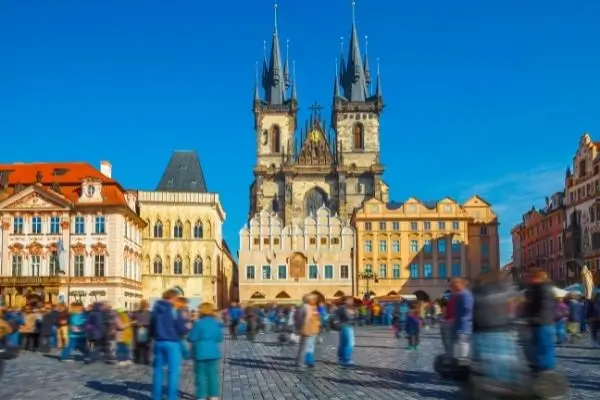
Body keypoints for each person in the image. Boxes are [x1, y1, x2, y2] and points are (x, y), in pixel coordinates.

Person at [150, 289, 189, 400]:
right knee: (173, 371)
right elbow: (181, 328)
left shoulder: (155, 309)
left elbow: (151, 326)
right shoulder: (174, 309)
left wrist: (155, 336)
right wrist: (186, 328)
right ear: (172, 298)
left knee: (158, 370)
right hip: (172, 343)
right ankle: (171, 397)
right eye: (176, 298)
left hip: (158, 343)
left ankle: (156, 397)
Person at [187, 303, 223, 400]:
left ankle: (201, 396)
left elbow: (192, 338)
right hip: (213, 353)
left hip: (200, 353)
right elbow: (219, 338)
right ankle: (214, 396)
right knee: (213, 376)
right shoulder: (215, 323)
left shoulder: (198, 323)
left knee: (201, 376)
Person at [523, 269, 556, 372]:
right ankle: (541, 369)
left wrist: (530, 319)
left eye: (532, 277)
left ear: (537, 278)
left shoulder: (543, 289)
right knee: (541, 350)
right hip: (541, 324)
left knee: (543, 351)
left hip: (542, 324)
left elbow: (542, 309)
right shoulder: (538, 289)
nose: (530, 279)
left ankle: (544, 373)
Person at [450, 278, 473, 360]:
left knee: (462, 347)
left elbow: (466, 309)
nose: (452, 288)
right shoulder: (462, 294)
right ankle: (457, 363)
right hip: (460, 325)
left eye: (453, 286)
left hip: (463, 326)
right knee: (457, 347)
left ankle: (461, 364)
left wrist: (457, 317)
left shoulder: (465, 294)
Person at [295, 294, 321, 368]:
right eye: (313, 299)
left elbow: (316, 317)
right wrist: (300, 328)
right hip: (307, 329)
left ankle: (306, 361)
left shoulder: (313, 307)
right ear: (308, 299)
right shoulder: (304, 307)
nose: (315, 300)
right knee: (304, 347)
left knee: (309, 346)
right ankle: (299, 362)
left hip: (313, 329)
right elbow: (299, 319)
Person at [337, 296, 356, 366]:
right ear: (345, 301)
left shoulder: (350, 308)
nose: (351, 301)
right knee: (348, 344)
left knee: (344, 343)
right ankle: (345, 359)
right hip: (345, 327)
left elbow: (354, 318)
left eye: (352, 300)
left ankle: (341, 359)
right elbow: (346, 317)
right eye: (349, 300)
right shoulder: (342, 308)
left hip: (349, 327)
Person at [132, 300, 151, 365]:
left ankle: (142, 359)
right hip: (139, 331)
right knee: (140, 346)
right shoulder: (136, 313)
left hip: (145, 331)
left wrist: (143, 324)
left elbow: (151, 322)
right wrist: (138, 324)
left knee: (144, 346)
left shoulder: (149, 313)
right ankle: (140, 359)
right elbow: (132, 322)